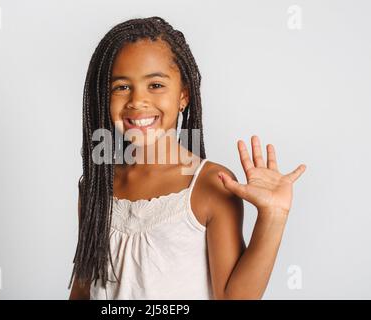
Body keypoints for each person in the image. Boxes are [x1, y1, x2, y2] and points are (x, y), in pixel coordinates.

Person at [69, 16, 306, 300]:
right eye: (121, 87)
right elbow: (83, 291)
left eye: (155, 85)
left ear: (183, 95)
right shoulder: (95, 187)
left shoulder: (212, 185)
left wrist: (273, 216)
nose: (137, 101)